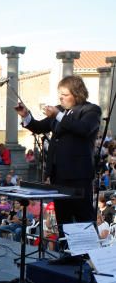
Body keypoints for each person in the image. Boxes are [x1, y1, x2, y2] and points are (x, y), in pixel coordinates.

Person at [16, 75, 101, 225]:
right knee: (63, 218)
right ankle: (63, 247)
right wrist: (26, 116)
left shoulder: (91, 110)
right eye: (60, 94)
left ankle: (87, 249)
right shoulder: (60, 111)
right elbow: (39, 127)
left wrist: (58, 115)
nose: (61, 98)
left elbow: (83, 129)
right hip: (58, 176)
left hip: (78, 176)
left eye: (65, 94)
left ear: (77, 93)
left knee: (83, 218)